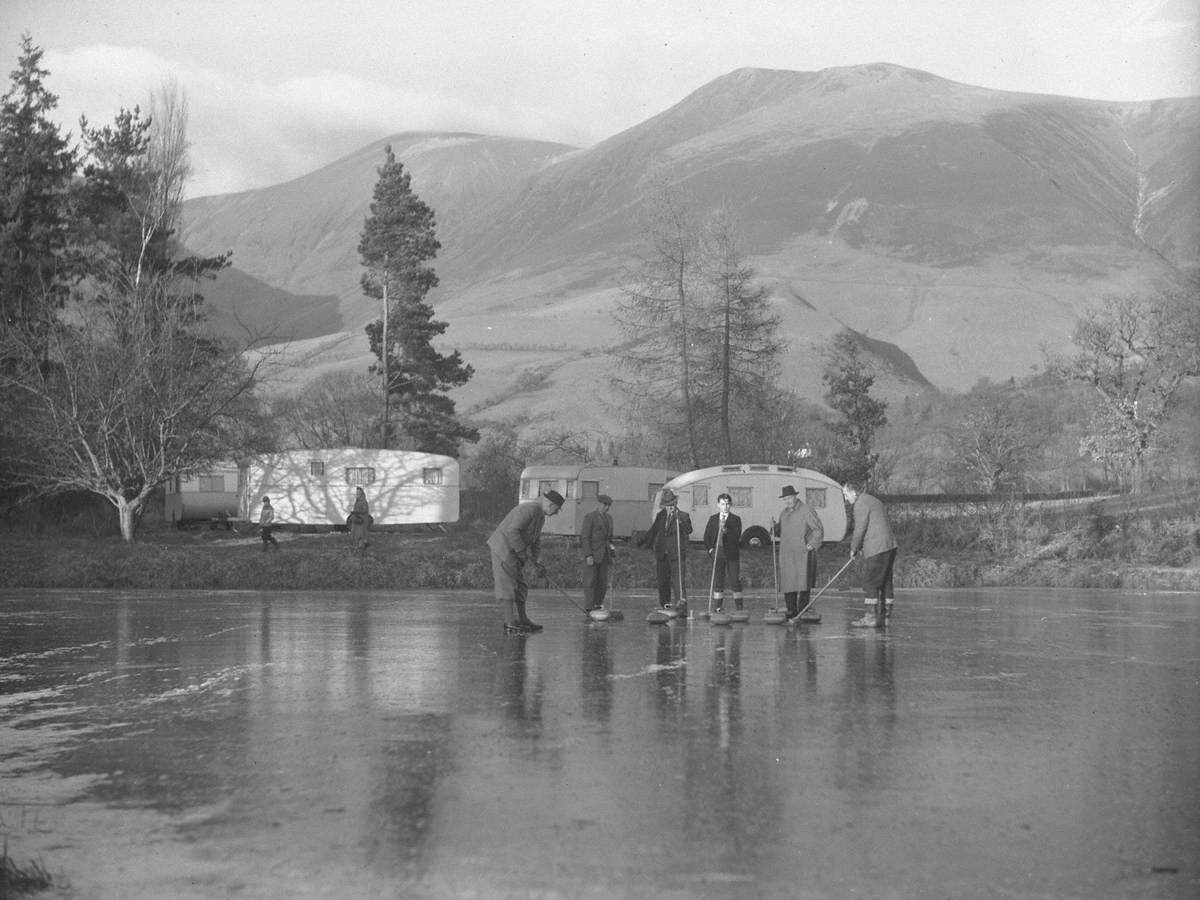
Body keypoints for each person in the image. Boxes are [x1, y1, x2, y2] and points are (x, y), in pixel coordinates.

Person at [487, 490, 564, 634]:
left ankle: (523, 619)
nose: (557, 512)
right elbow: (512, 531)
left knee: (521, 585)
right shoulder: (529, 509)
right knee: (507, 585)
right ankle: (510, 623)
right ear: (551, 504)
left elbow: (536, 541)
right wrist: (522, 554)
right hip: (503, 549)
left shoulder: (540, 516)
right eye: (557, 509)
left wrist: (536, 561)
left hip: (514, 551)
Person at [842, 481, 898, 628]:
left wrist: (854, 548)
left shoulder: (860, 503)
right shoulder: (873, 500)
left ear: (853, 492)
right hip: (890, 545)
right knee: (885, 581)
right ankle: (885, 618)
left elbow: (860, 528)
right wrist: (862, 546)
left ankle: (871, 617)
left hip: (877, 547)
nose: (845, 499)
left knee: (870, 581)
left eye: (845, 494)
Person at [771, 485, 823, 621]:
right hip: (786, 553)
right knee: (788, 582)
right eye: (785, 499)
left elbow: (818, 529)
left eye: (789, 498)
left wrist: (812, 544)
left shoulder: (807, 510)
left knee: (803, 582)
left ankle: (802, 610)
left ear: (795, 496)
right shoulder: (783, 513)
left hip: (802, 553)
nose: (787, 501)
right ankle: (791, 610)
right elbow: (780, 532)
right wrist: (774, 527)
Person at [638, 488, 692, 617]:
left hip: (677, 554)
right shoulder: (661, 515)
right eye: (667, 505)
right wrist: (641, 542)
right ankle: (665, 604)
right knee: (663, 581)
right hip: (662, 553)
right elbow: (654, 531)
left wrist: (681, 522)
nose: (669, 508)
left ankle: (681, 607)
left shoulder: (683, 516)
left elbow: (689, 530)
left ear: (675, 504)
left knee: (678, 582)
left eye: (671, 505)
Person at [703, 493, 743, 612]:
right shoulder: (713, 519)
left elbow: (737, 536)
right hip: (717, 553)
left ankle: (739, 607)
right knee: (718, 581)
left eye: (727, 504)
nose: (725, 506)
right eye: (722, 504)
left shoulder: (736, 519)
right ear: (718, 505)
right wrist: (710, 549)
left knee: (735, 580)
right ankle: (717, 607)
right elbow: (707, 536)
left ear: (730, 505)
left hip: (731, 554)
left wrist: (726, 531)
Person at [580, 494, 615, 613]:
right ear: (599, 504)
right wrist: (588, 555)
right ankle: (589, 608)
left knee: (603, 582)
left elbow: (609, 539)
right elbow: (585, 537)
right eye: (605, 505)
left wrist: (612, 551)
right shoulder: (590, 517)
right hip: (593, 555)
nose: (607, 508)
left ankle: (598, 605)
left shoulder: (609, 519)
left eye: (609, 505)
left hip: (605, 555)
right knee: (590, 581)